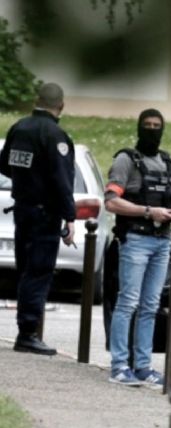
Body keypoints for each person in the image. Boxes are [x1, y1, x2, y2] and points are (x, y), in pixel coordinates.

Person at [104, 109, 171, 387]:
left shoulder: (168, 161)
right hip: (136, 240)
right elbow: (111, 202)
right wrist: (147, 211)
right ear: (139, 127)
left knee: (151, 306)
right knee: (128, 301)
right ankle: (119, 365)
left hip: (162, 240)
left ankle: (142, 366)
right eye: (147, 125)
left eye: (157, 126)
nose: (152, 130)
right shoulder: (126, 160)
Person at [0, 83, 76, 356]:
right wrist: (70, 217)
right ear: (61, 106)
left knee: (25, 269)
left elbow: (4, 163)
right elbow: (61, 179)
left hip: (23, 208)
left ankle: (26, 329)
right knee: (39, 270)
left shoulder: (19, 127)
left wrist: (27, 179)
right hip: (45, 213)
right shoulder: (55, 135)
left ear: (37, 100)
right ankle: (28, 332)